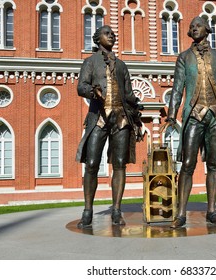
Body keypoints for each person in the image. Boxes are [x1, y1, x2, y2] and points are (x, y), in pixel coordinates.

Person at [165, 16, 216, 228]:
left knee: (215, 165)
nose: (193, 29)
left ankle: (212, 210)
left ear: (207, 29)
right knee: (187, 164)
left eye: (197, 26)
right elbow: (177, 87)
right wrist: (171, 115)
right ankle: (181, 214)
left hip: (215, 115)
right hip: (194, 116)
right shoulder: (184, 57)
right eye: (191, 27)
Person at [75, 25, 142, 228]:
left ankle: (116, 210)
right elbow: (81, 87)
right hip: (99, 117)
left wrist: (138, 114)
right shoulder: (90, 62)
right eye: (107, 33)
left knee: (120, 164)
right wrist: (93, 92)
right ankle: (88, 210)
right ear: (97, 38)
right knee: (92, 164)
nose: (112, 35)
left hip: (121, 118)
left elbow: (128, 93)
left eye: (113, 33)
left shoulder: (121, 65)